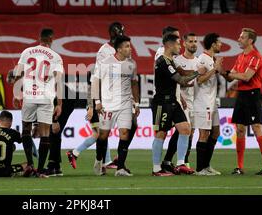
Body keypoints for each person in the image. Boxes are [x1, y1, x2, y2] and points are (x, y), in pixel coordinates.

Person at [66, 22, 137, 172]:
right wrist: (93, 103)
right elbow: (97, 78)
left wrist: (133, 101)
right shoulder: (104, 51)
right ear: (111, 33)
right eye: (117, 32)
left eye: (121, 31)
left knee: (120, 129)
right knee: (101, 133)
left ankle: (109, 160)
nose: (119, 34)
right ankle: (97, 159)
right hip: (104, 98)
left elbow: (128, 77)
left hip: (119, 98)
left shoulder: (125, 51)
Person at [151, 33, 206, 176]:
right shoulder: (163, 61)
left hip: (173, 102)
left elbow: (180, 76)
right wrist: (197, 73)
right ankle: (156, 169)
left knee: (185, 128)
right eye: (177, 44)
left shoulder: (171, 61)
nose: (180, 47)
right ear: (169, 45)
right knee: (161, 134)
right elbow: (181, 80)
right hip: (162, 102)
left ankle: (181, 163)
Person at [220, 28, 262, 175]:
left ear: (250, 41)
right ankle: (239, 167)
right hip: (241, 95)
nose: (239, 39)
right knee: (240, 129)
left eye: (242, 37)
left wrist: (232, 74)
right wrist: (221, 70)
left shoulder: (255, 57)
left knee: (256, 128)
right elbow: (232, 77)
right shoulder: (240, 57)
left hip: (252, 95)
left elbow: (246, 77)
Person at [13, 28, 64, 178]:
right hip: (46, 98)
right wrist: (59, 104)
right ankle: (41, 170)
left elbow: (18, 74)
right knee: (45, 134)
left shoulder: (27, 52)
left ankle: (30, 164)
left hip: (28, 97)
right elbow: (59, 82)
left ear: (39, 38)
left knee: (26, 130)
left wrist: (16, 94)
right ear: (51, 39)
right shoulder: (56, 57)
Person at [91, 35, 140, 176]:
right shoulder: (105, 63)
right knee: (103, 135)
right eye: (127, 46)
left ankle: (120, 168)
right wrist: (97, 102)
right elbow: (95, 82)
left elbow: (134, 83)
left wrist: (136, 103)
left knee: (124, 134)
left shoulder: (132, 64)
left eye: (130, 46)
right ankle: (99, 160)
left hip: (125, 104)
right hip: (108, 105)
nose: (130, 49)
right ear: (118, 49)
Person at [162, 33, 199, 170]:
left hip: (195, 101)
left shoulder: (199, 61)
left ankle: (182, 161)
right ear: (184, 43)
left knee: (190, 132)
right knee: (182, 130)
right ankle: (174, 161)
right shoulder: (177, 60)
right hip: (180, 101)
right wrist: (181, 98)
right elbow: (177, 81)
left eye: (195, 41)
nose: (193, 44)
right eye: (190, 41)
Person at [194, 33, 223, 175]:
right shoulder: (202, 59)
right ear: (213, 44)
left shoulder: (213, 59)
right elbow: (199, 80)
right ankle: (200, 169)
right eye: (219, 42)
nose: (221, 45)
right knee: (204, 134)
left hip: (212, 102)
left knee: (216, 133)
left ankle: (206, 165)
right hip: (203, 101)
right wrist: (215, 69)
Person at [0, 110, 28, 177]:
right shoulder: (13, 133)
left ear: (0, 120)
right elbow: (25, 140)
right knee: (27, 165)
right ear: (10, 121)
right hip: (4, 171)